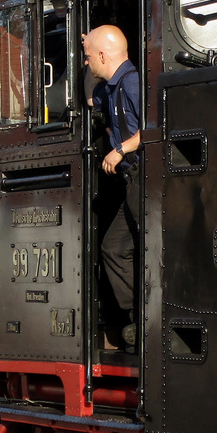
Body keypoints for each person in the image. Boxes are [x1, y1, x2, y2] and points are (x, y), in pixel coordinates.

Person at [82, 24, 140, 349]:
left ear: (104, 55)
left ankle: (147, 322)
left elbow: (154, 128)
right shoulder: (110, 89)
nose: (88, 62)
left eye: (90, 57)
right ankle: (137, 320)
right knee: (114, 248)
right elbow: (92, 100)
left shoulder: (133, 83)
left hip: (145, 176)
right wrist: (84, 42)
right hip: (131, 182)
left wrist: (121, 149)